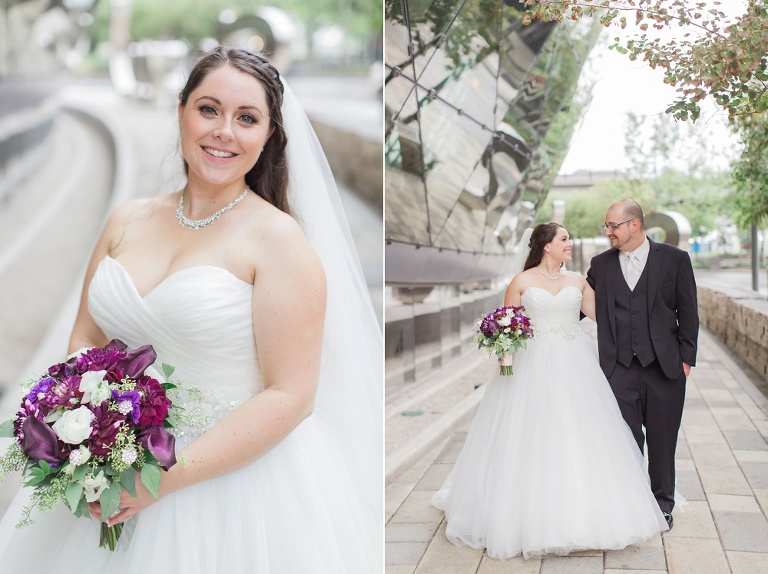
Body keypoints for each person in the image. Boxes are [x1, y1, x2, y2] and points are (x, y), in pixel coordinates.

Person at [0, 46, 382, 573]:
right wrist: (88, 428)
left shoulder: (279, 242)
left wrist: (162, 478)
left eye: (246, 118)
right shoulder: (125, 220)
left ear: (268, 135)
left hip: (230, 491)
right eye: (209, 109)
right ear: (180, 111)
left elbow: (291, 394)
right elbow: (85, 338)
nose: (224, 131)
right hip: (108, 468)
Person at [432, 222, 668, 560]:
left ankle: (585, 510)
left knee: (579, 431)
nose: (570, 244)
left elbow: (605, 317)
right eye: (565, 239)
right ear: (546, 245)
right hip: (531, 365)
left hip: (577, 364)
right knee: (527, 432)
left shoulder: (578, 282)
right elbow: (506, 322)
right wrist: (504, 355)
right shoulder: (522, 282)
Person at [586, 199, 698, 529]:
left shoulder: (675, 259)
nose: (608, 232)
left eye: (612, 226)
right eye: (606, 226)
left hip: (665, 367)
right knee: (625, 438)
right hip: (618, 367)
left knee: (663, 441)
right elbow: (578, 304)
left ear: (634, 225)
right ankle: (630, 502)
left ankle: (663, 503)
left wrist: (686, 359)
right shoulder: (601, 264)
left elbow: (688, 311)